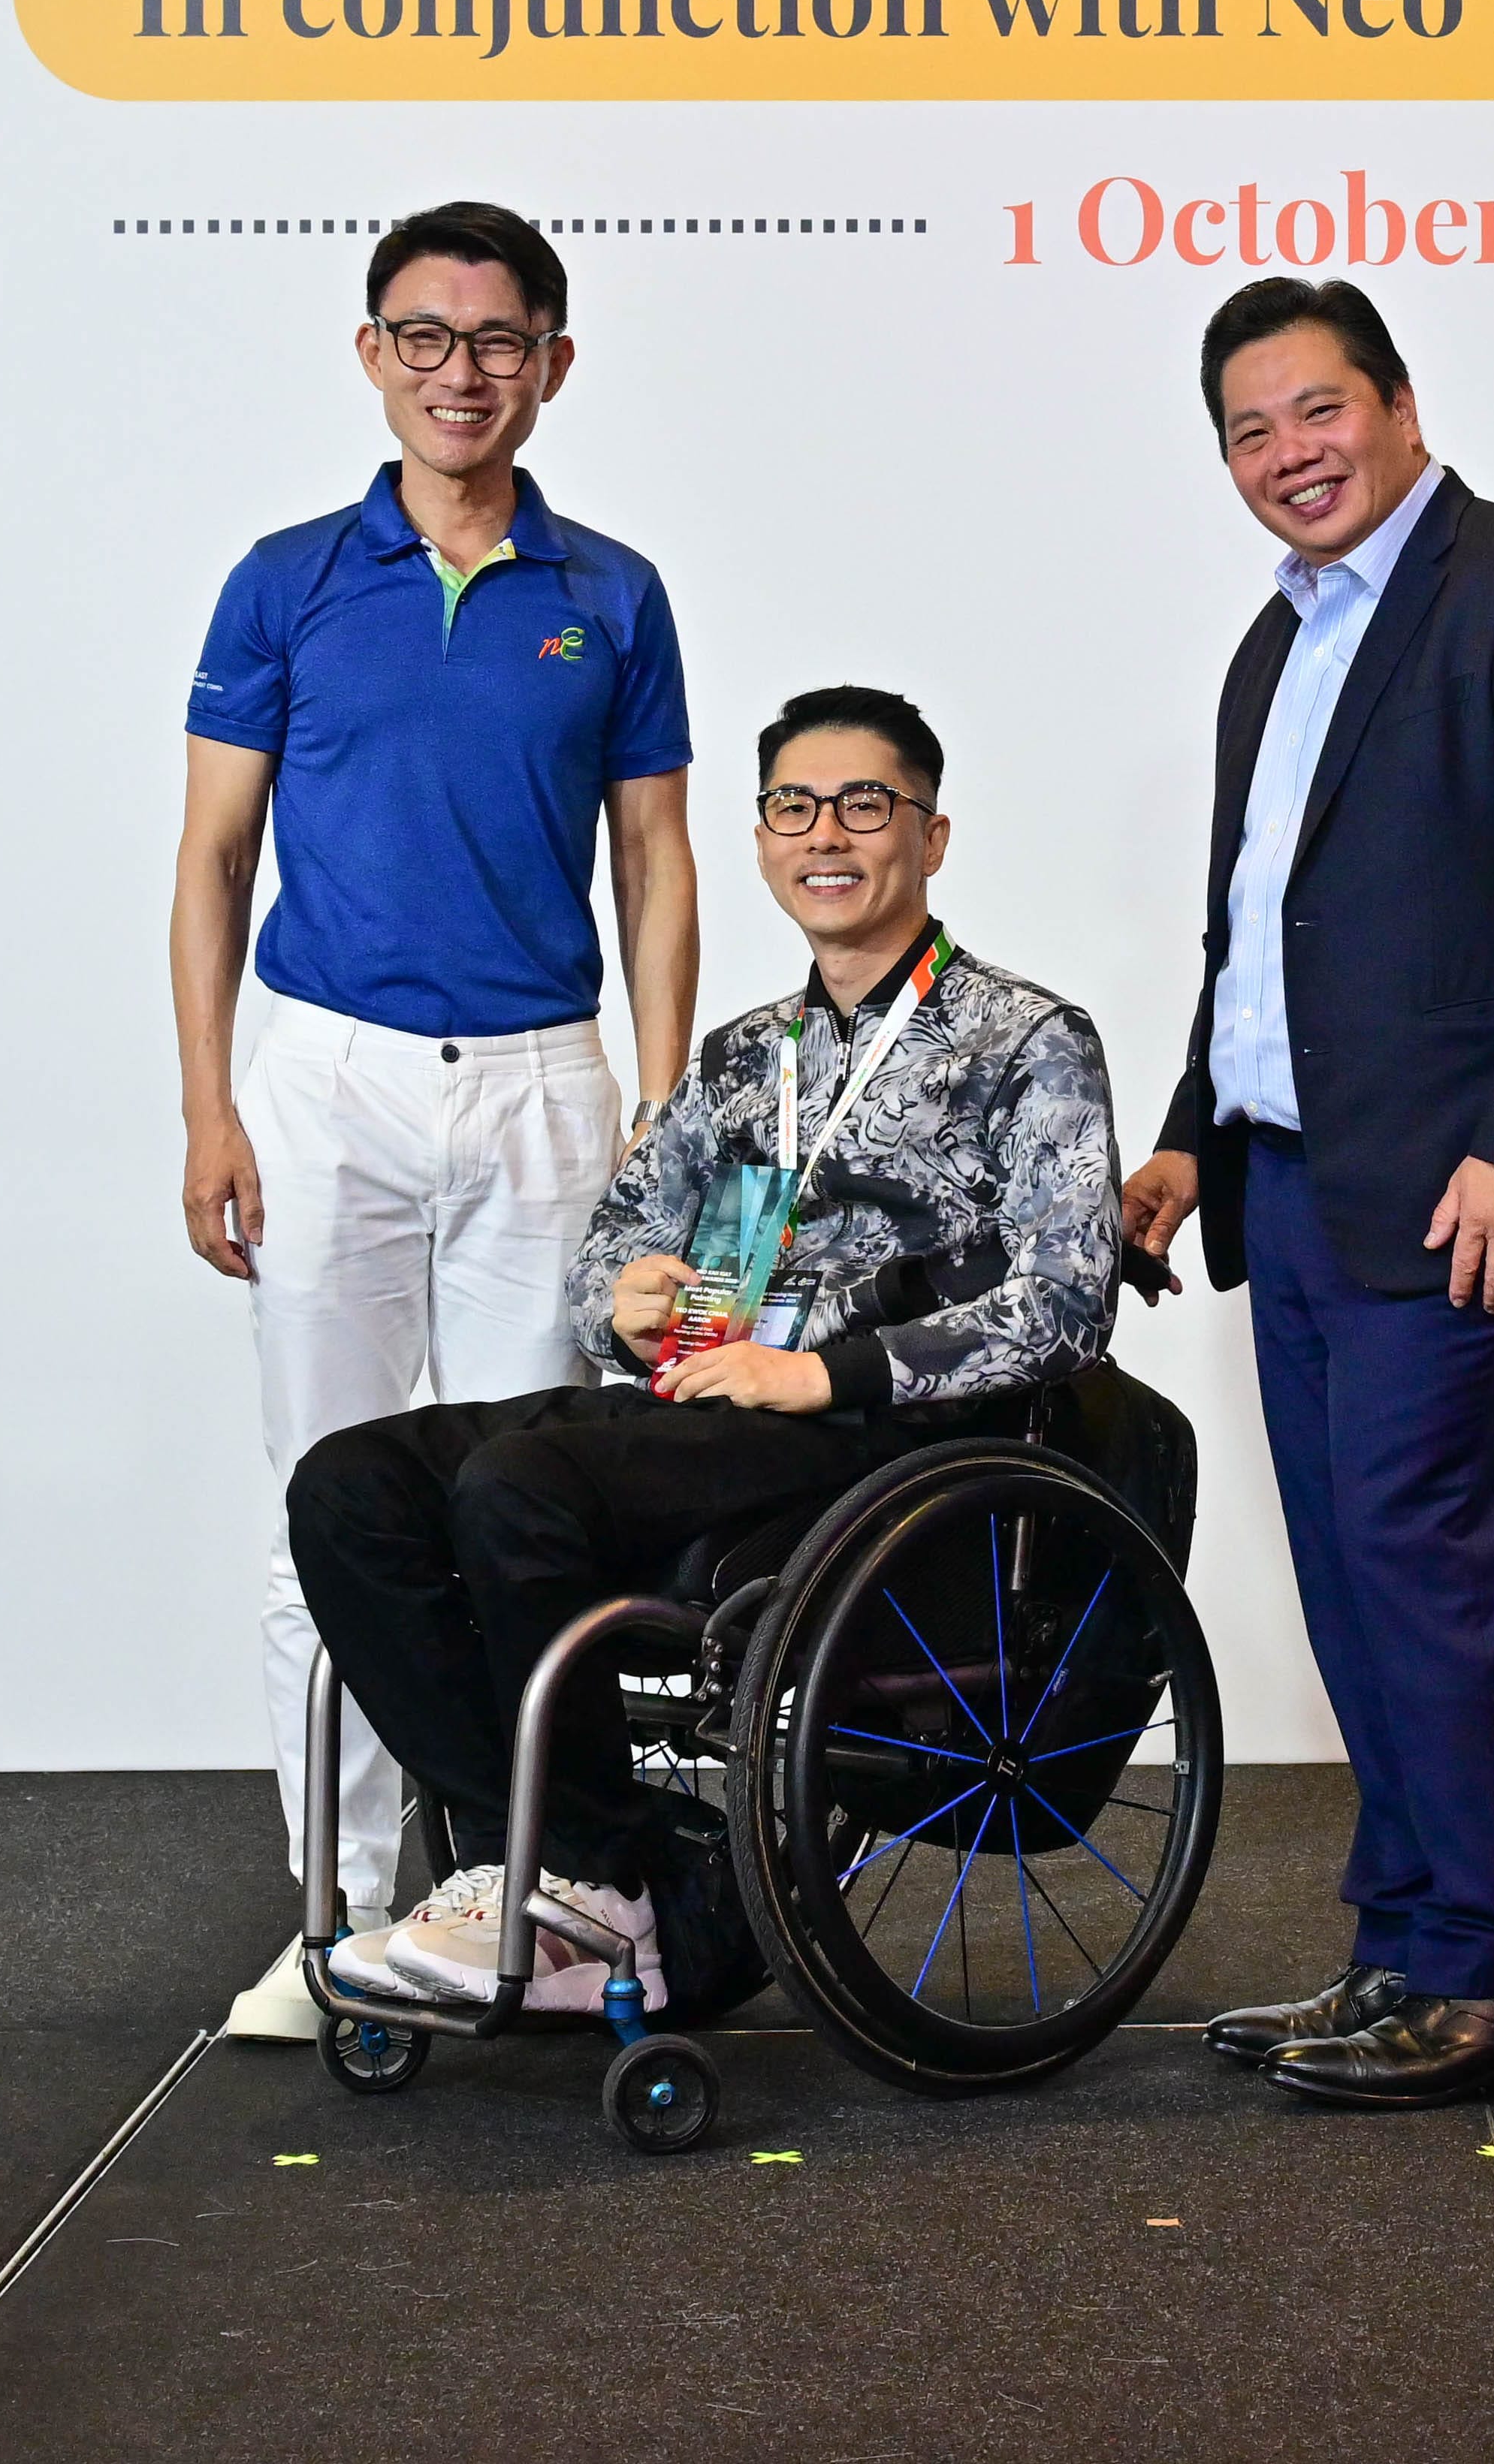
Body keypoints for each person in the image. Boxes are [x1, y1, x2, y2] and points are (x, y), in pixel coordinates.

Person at [290, 686, 1126, 2006]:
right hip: (705, 1410)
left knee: (520, 1488)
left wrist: (820, 1371)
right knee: (348, 1485)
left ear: (934, 835)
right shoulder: (748, 1058)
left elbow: (1066, 1305)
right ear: (761, 840)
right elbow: (608, 1261)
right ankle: (551, 1863)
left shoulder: (1029, 1042)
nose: (827, 834)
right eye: (794, 807)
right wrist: (622, 1298)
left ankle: (589, 1883)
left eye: (866, 804)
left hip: (881, 1441)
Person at [1120, 278, 1494, 2108]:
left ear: (1400, 403)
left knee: (1424, 1574)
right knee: (1358, 1585)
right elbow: (1252, 931)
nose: (1290, 456)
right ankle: (1399, 1952)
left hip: (1459, 1186)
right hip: (1295, 1188)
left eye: (1317, 412)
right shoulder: (1276, 646)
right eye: (1250, 433)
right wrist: (1196, 1128)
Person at [174, 201, 700, 2034]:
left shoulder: (612, 593)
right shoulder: (285, 581)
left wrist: (660, 1106)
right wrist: (207, 1112)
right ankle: (325, 1921)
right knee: (317, 1511)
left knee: (520, 1516)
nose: (460, 372)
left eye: (497, 341)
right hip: (323, 1081)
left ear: (553, 363)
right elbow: (213, 862)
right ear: (370, 354)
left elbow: (655, 860)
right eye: (424, 336)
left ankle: (521, 1906)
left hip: (548, 1090)